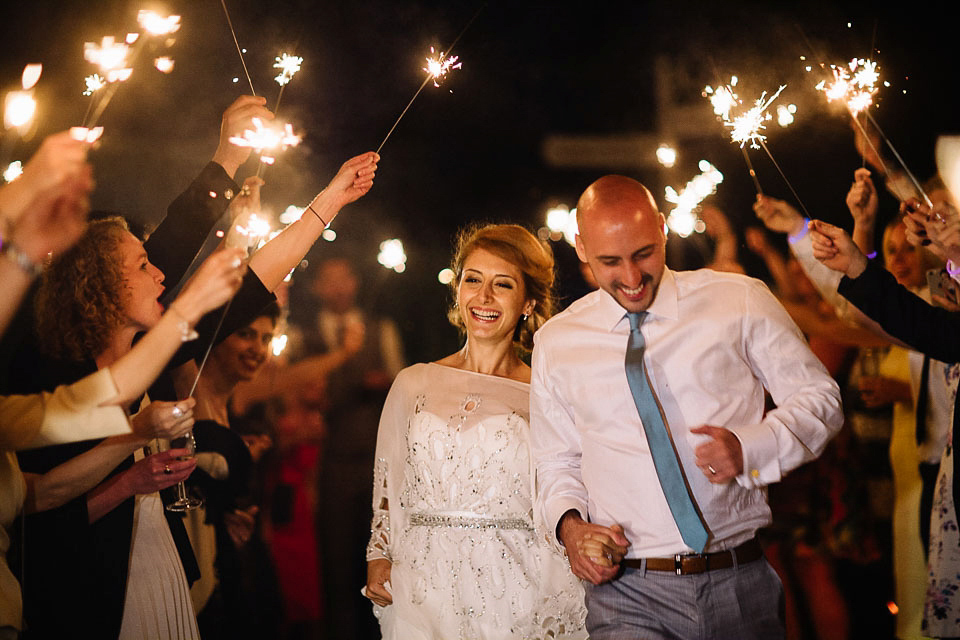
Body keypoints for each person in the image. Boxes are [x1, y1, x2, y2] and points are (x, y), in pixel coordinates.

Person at [530, 175, 844, 639]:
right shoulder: (557, 342)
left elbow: (821, 398)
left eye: (643, 254)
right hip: (626, 594)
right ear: (580, 248)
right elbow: (556, 461)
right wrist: (570, 527)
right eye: (610, 262)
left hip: (740, 578)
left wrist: (751, 448)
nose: (632, 279)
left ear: (662, 227)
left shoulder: (738, 299)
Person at [364, 223, 588, 639]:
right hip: (423, 589)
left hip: (516, 587)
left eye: (502, 284)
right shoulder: (414, 383)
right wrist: (379, 556)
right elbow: (387, 487)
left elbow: (566, 484)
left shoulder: (545, 390)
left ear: (528, 302)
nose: (483, 297)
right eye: (473, 280)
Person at [807, 204, 960, 639]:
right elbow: (902, 322)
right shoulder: (938, 305)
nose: (905, 252)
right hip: (931, 469)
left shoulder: (940, 290)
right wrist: (856, 258)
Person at [298, 256, 404, 639]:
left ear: (355, 283)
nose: (339, 287)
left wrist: (384, 381)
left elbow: (401, 389)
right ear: (316, 289)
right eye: (330, 280)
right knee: (338, 559)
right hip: (330, 463)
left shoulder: (380, 329)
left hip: (378, 461)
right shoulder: (304, 337)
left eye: (345, 278)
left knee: (383, 555)